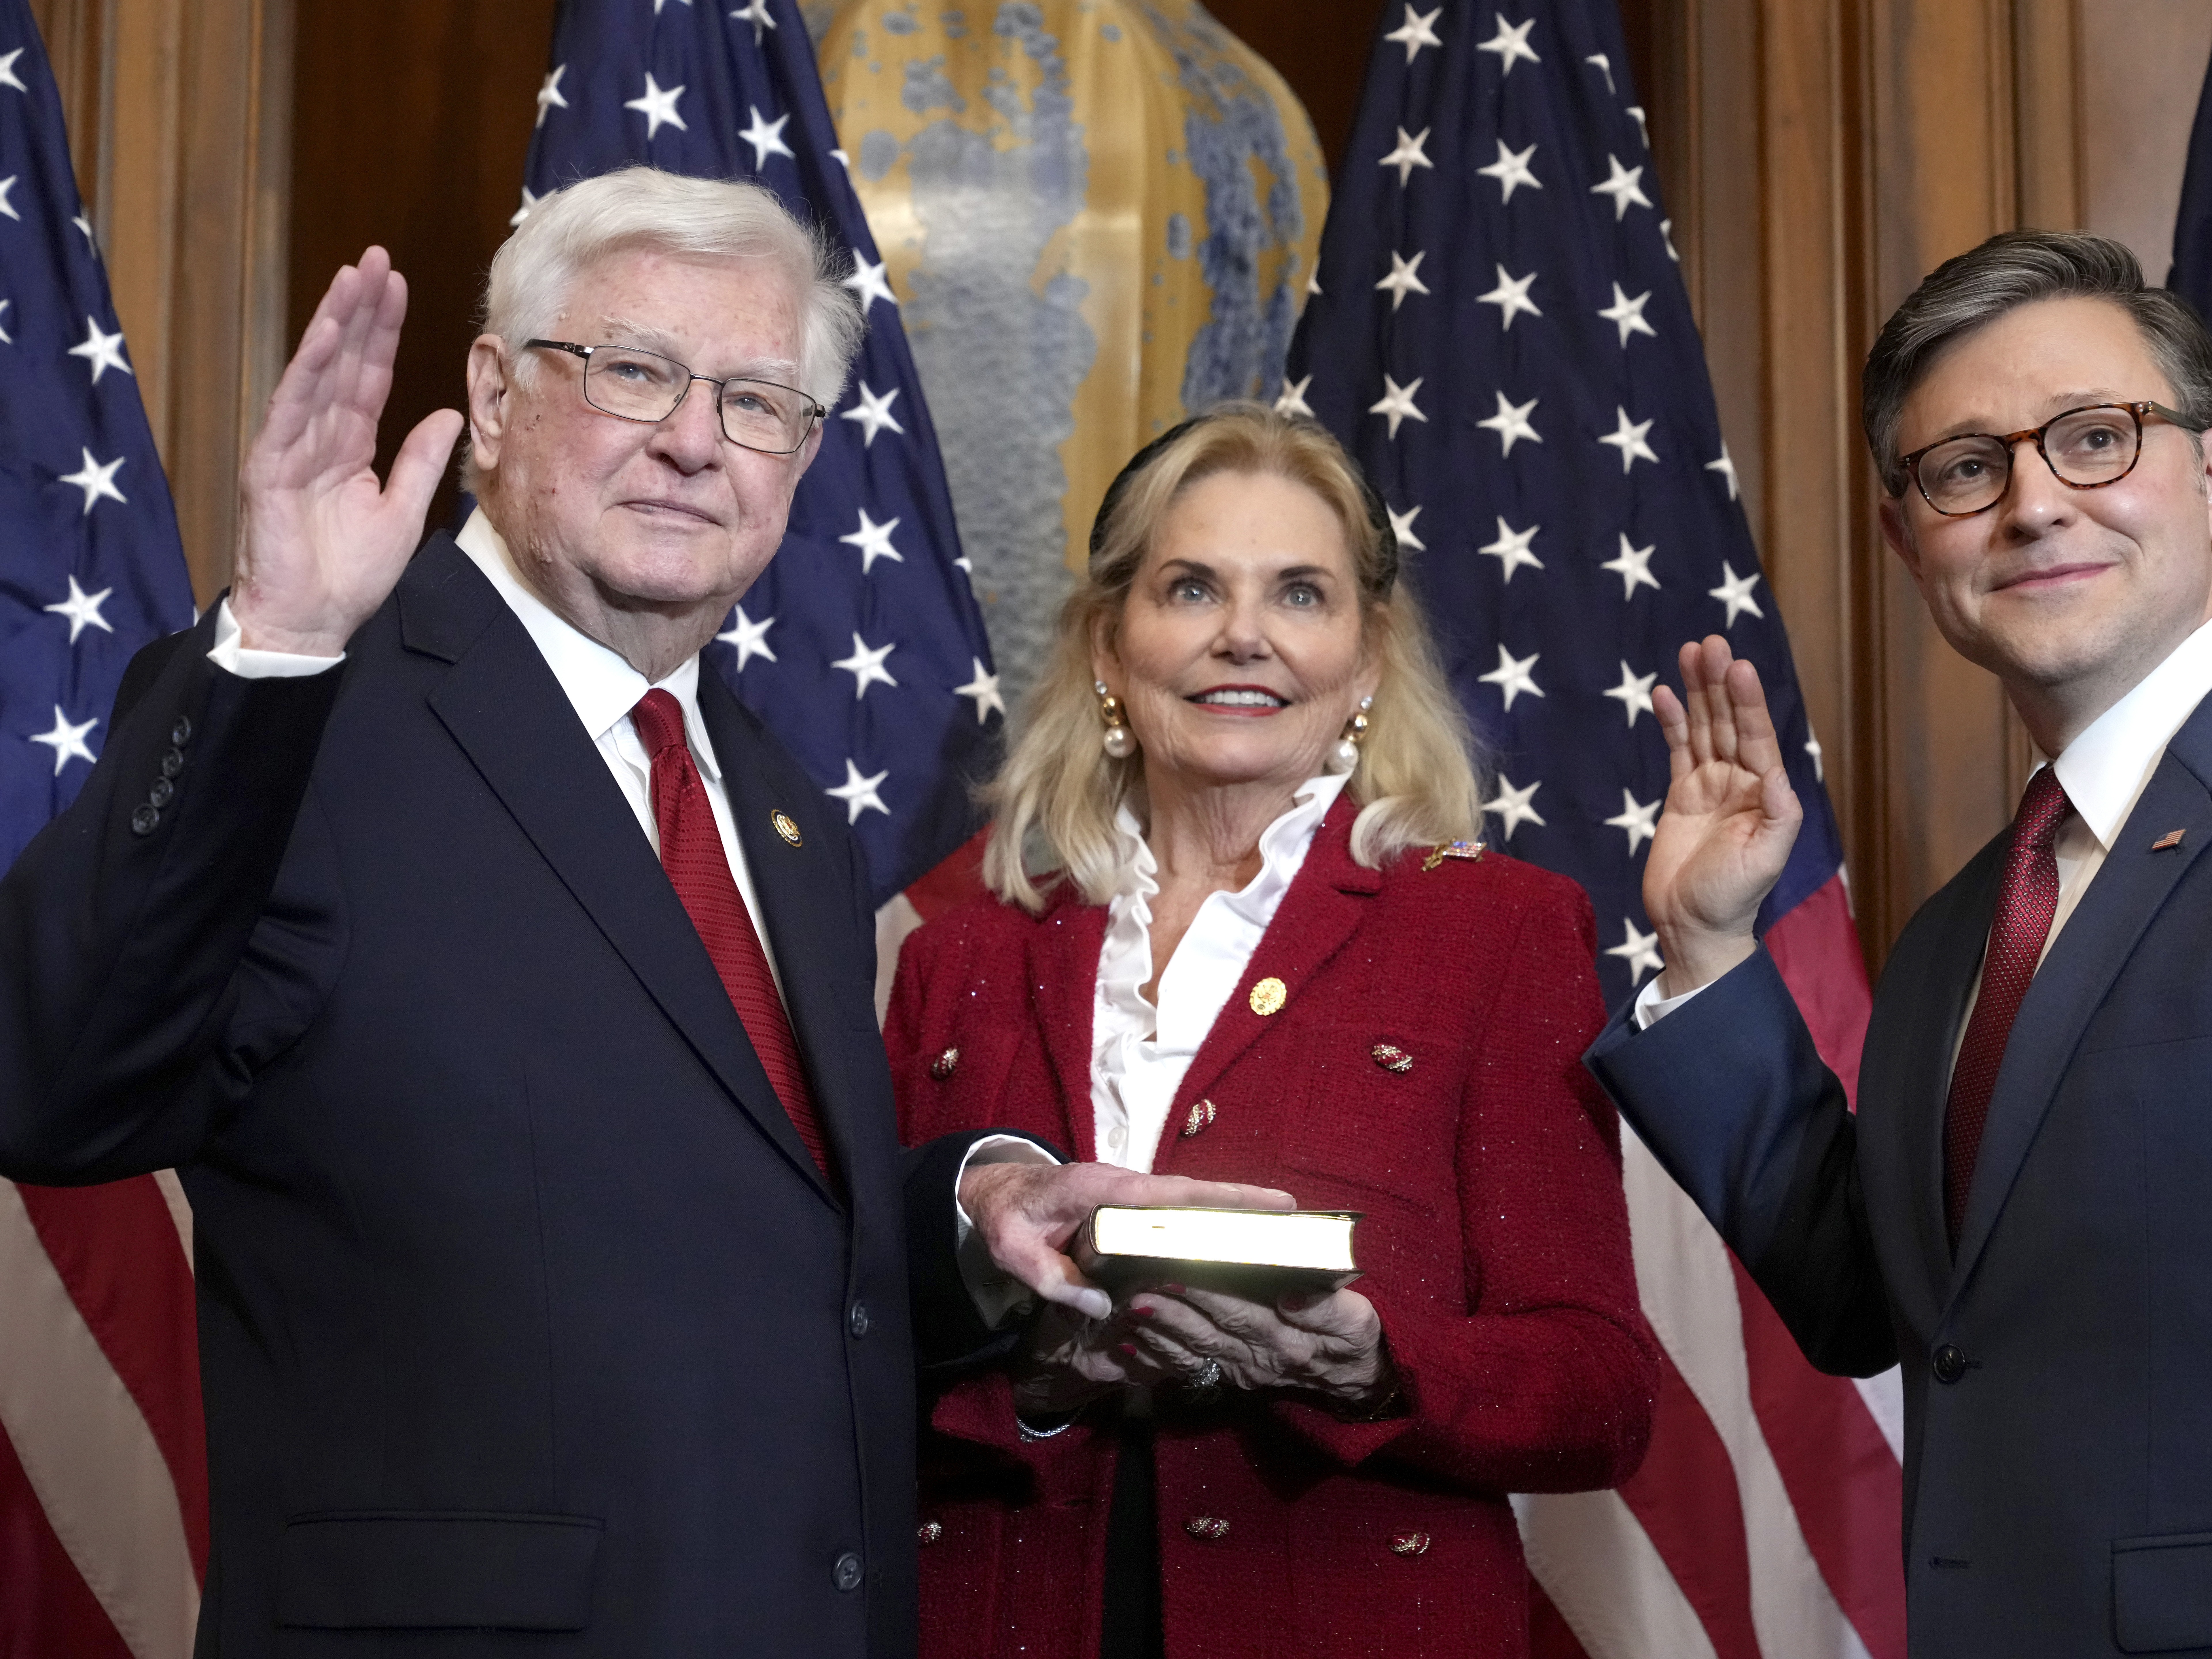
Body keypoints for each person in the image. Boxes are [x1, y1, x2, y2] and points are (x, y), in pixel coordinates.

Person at [0, 168, 1279, 1657]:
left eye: (756, 400)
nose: (692, 440)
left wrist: (976, 1220)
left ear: (799, 459)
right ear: (492, 395)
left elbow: (728, 1233)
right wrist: (276, 644)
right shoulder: (306, 710)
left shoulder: (779, 802)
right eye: (633, 371)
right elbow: (54, 1085)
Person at [888, 405, 1661, 1659]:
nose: (1242, 635)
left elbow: (1601, 1392)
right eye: (1191, 587)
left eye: (1299, 594)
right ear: (1109, 643)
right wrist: (1028, 1385)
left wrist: (1371, 1366)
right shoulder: (954, 962)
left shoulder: (1500, 934)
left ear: (1365, 661)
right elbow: (844, 1358)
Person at [1586, 229, 2212, 1656]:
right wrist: (1711, 951)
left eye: (2097, 439)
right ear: (1906, 538)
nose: (2036, 507)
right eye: (1966, 469)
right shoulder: (1968, 931)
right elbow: (1887, 1306)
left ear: (2209, 467)